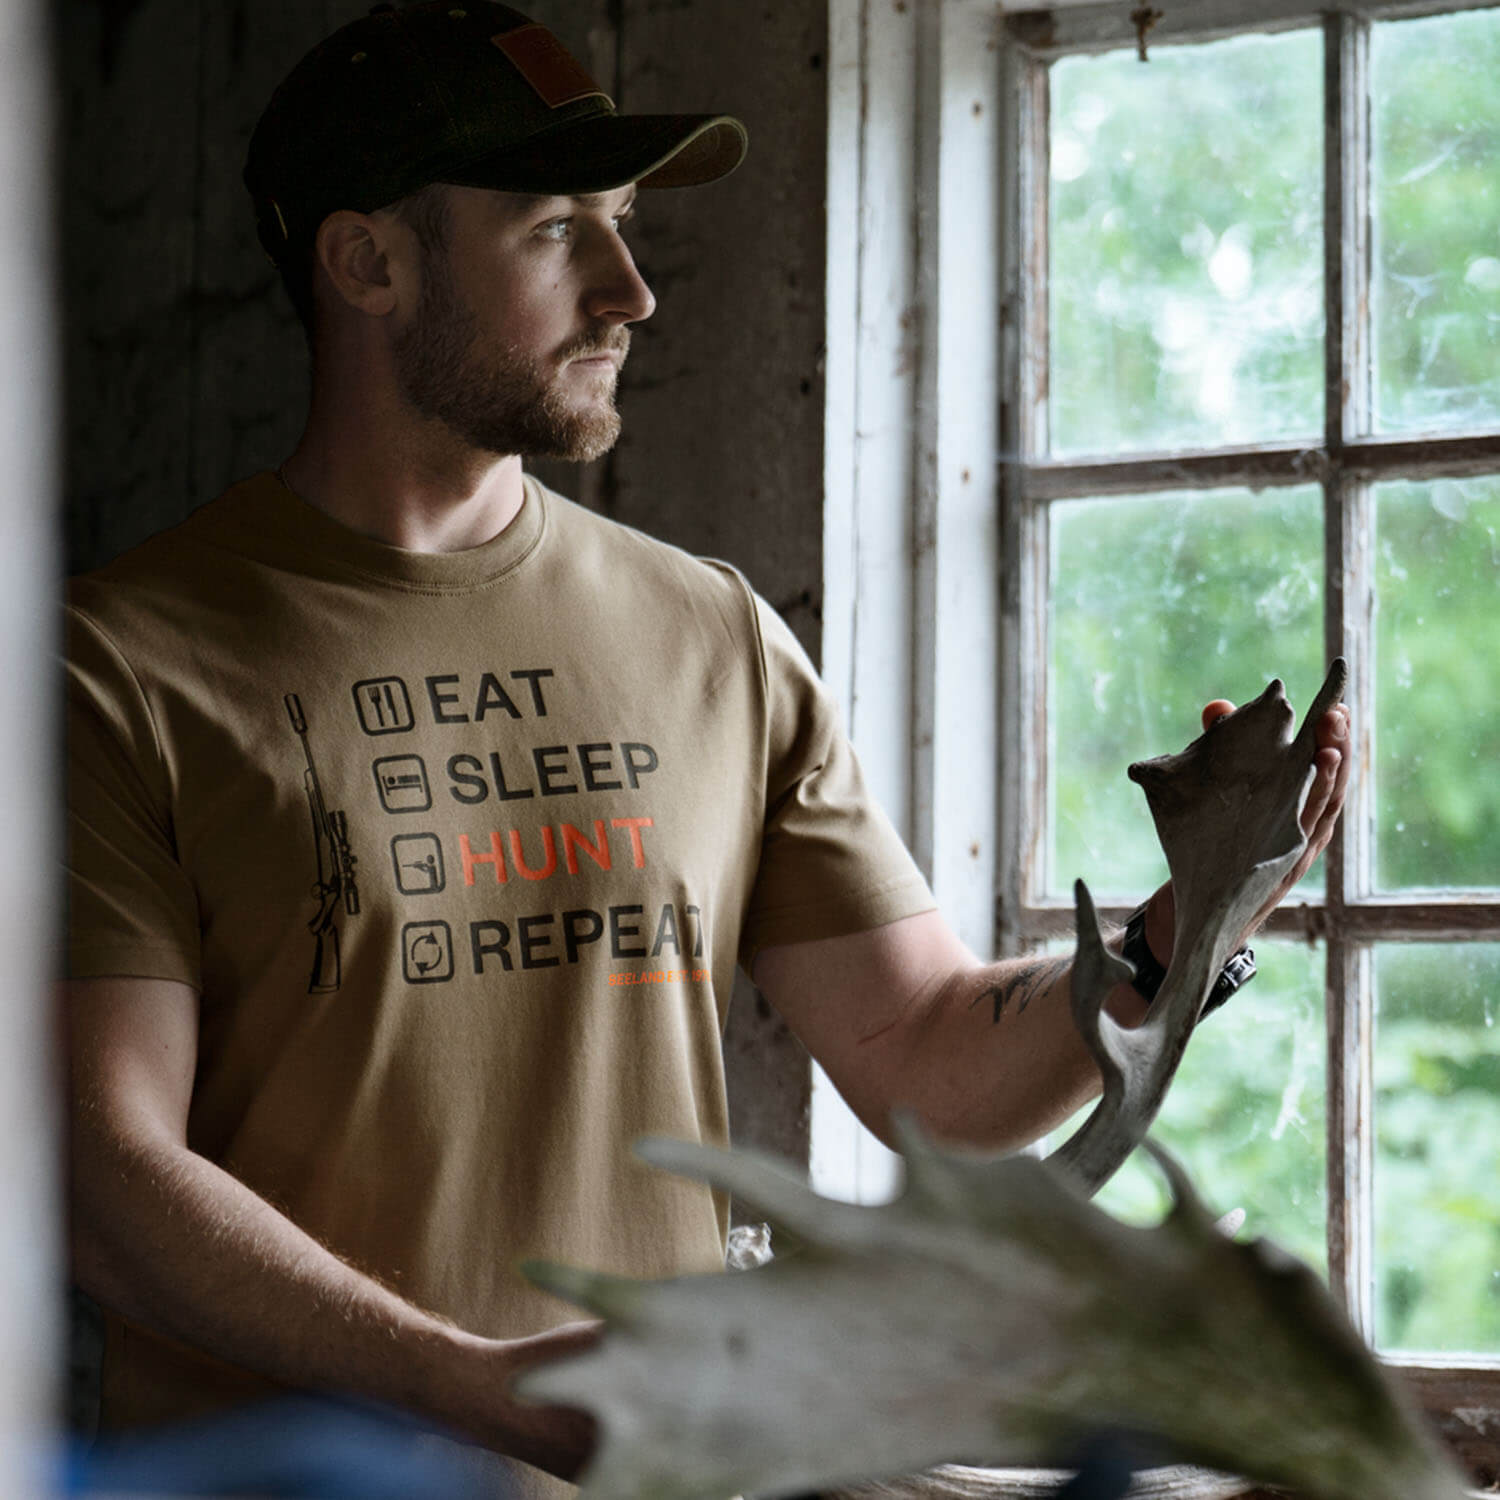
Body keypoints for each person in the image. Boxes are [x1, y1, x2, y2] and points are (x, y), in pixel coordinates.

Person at [62, 3, 1351, 1497]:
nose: (632, 291)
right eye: (559, 232)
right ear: (368, 262)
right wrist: (478, 1391)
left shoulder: (712, 634)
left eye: (620, 223)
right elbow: (106, 1178)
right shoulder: (115, 667)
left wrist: (1176, 929)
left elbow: (926, 1060)